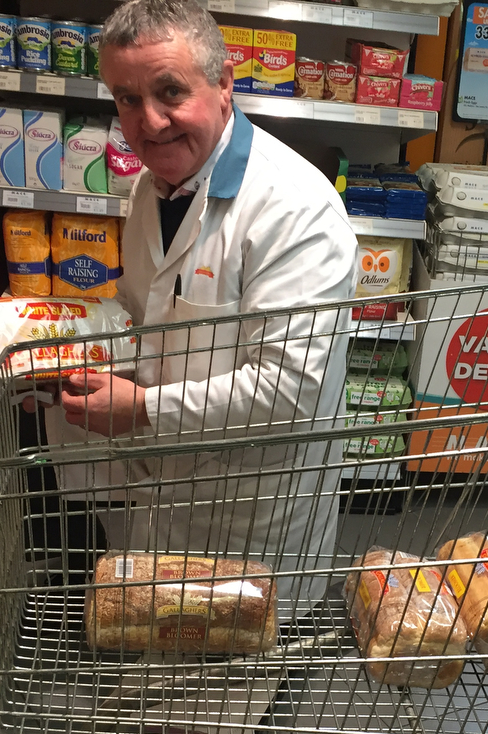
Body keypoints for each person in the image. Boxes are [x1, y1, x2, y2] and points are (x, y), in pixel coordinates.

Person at [48, 0, 357, 617]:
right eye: (127, 99)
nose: (150, 121)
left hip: (252, 508)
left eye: (169, 91)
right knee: (158, 659)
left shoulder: (295, 209)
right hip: (166, 490)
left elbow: (291, 389)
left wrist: (139, 407)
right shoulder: (150, 186)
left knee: (231, 686)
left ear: (222, 85)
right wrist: (61, 346)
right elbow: (146, 315)